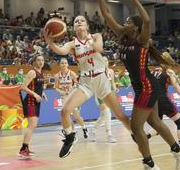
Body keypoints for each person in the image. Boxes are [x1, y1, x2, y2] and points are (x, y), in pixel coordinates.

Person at [95, 0, 180, 170]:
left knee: (136, 127)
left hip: (147, 85)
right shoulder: (122, 36)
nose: (125, 23)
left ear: (136, 28)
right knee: (154, 121)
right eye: (126, 21)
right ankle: (178, 149)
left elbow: (146, 20)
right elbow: (107, 15)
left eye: (129, 22)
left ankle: (149, 164)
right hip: (141, 86)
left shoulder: (142, 40)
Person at [44, 14, 131, 159]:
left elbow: (99, 48)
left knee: (120, 115)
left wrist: (89, 41)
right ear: (73, 27)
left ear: (87, 25)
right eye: (76, 21)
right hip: (86, 81)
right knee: (65, 110)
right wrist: (50, 43)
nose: (78, 22)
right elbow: (62, 51)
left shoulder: (96, 36)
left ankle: (135, 134)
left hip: (102, 79)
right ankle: (70, 137)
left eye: (82, 20)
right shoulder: (73, 44)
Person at [148, 55, 180, 147]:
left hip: (153, 101)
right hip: (163, 100)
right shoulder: (169, 72)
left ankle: (144, 137)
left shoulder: (154, 71)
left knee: (159, 127)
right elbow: (176, 86)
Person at [18, 54, 47, 159]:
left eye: (42, 60)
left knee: (32, 126)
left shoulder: (40, 72)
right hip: (30, 101)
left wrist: (42, 93)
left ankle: (25, 148)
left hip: (36, 101)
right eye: (38, 60)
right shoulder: (32, 72)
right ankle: (23, 149)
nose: (41, 62)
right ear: (34, 62)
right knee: (32, 126)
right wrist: (35, 94)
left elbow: (37, 87)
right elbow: (23, 87)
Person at [54, 58, 88, 139]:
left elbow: (78, 84)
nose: (64, 64)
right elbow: (55, 87)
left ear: (67, 64)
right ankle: (72, 132)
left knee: (76, 116)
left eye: (65, 63)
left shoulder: (71, 73)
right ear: (59, 65)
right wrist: (61, 92)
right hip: (63, 97)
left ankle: (84, 128)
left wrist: (72, 90)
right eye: (62, 63)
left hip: (72, 97)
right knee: (67, 116)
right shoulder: (57, 76)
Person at [89, 57, 118, 143]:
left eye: (106, 61)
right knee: (107, 113)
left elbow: (112, 83)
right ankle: (109, 134)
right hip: (99, 95)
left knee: (103, 116)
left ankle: (93, 130)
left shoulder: (111, 71)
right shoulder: (97, 72)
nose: (105, 62)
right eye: (103, 61)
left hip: (108, 94)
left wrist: (115, 89)